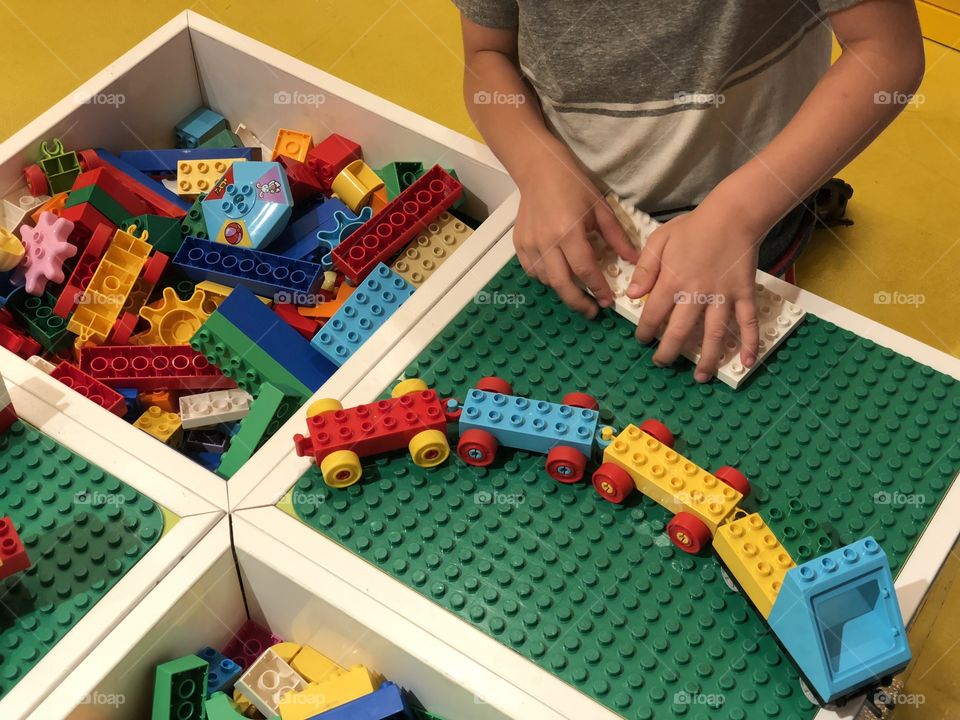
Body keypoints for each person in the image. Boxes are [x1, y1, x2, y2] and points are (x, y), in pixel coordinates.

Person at [454, 1, 924, 381]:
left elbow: (887, 51)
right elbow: (486, 54)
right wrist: (537, 165)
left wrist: (739, 215)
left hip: (758, 194)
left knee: (746, 335)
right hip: (577, 196)